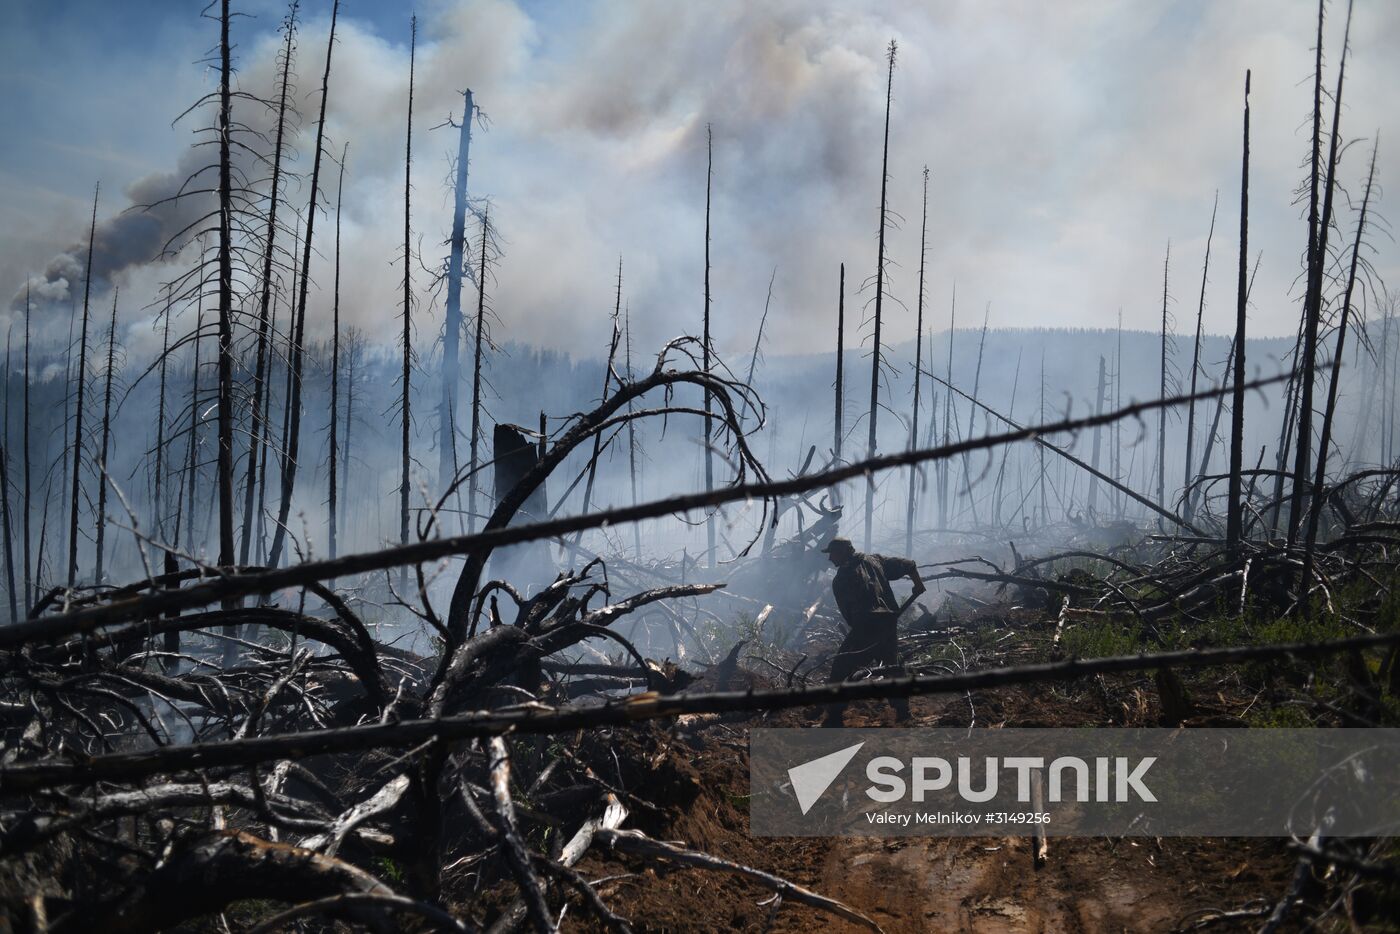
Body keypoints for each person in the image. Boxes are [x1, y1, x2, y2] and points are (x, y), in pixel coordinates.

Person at [820, 537, 925, 726]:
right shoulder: (875, 560)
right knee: (892, 665)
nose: (830, 559)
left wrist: (861, 631)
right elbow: (908, 565)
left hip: (867, 625)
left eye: (832, 553)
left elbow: (849, 615)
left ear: (844, 552)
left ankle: (834, 715)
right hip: (888, 622)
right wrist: (918, 583)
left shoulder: (842, 578)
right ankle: (903, 711)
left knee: (841, 666)